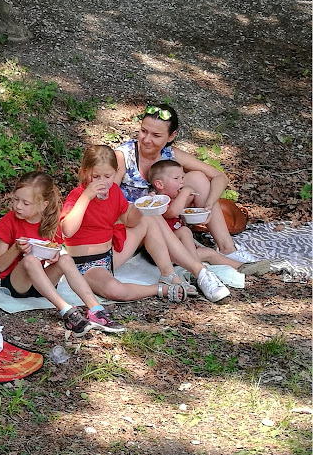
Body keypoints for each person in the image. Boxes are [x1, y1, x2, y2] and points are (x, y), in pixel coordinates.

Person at [60, 145, 231, 304]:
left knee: (150, 217)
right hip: (87, 264)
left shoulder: (113, 191)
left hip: (110, 255)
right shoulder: (78, 195)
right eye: (96, 176)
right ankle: (159, 289)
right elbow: (67, 230)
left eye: (108, 176)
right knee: (115, 290)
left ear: (115, 173)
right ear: (83, 173)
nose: (102, 182)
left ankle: (177, 274)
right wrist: (86, 197)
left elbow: (128, 219)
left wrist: (143, 206)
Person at [114, 103, 256, 263]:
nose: (147, 140)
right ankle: (195, 260)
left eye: (156, 135)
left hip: (168, 219)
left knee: (198, 178)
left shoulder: (171, 154)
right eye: (143, 131)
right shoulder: (124, 156)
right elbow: (109, 195)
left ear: (171, 136)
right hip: (136, 222)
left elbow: (219, 177)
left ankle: (227, 248)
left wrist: (208, 205)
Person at [0, 170, 125, 336]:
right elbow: (0, 265)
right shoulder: (9, 221)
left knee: (65, 259)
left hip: (42, 284)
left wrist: (53, 255)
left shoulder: (50, 223)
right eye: (16, 200)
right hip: (16, 284)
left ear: (44, 205)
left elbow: (54, 249)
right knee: (30, 261)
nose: (18, 206)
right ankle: (66, 310)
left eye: (26, 203)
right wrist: (16, 249)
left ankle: (95, 309)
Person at [147, 160, 271, 276]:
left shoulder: (174, 198)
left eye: (183, 178)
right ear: (159, 184)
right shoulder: (158, 200)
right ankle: (197, 269)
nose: (182, 182)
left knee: (210, 253)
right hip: (164, 252)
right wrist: (185, 192)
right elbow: (172, 212)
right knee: (185, 232)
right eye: (176, 178)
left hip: (183, 251)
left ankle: (244, 267)